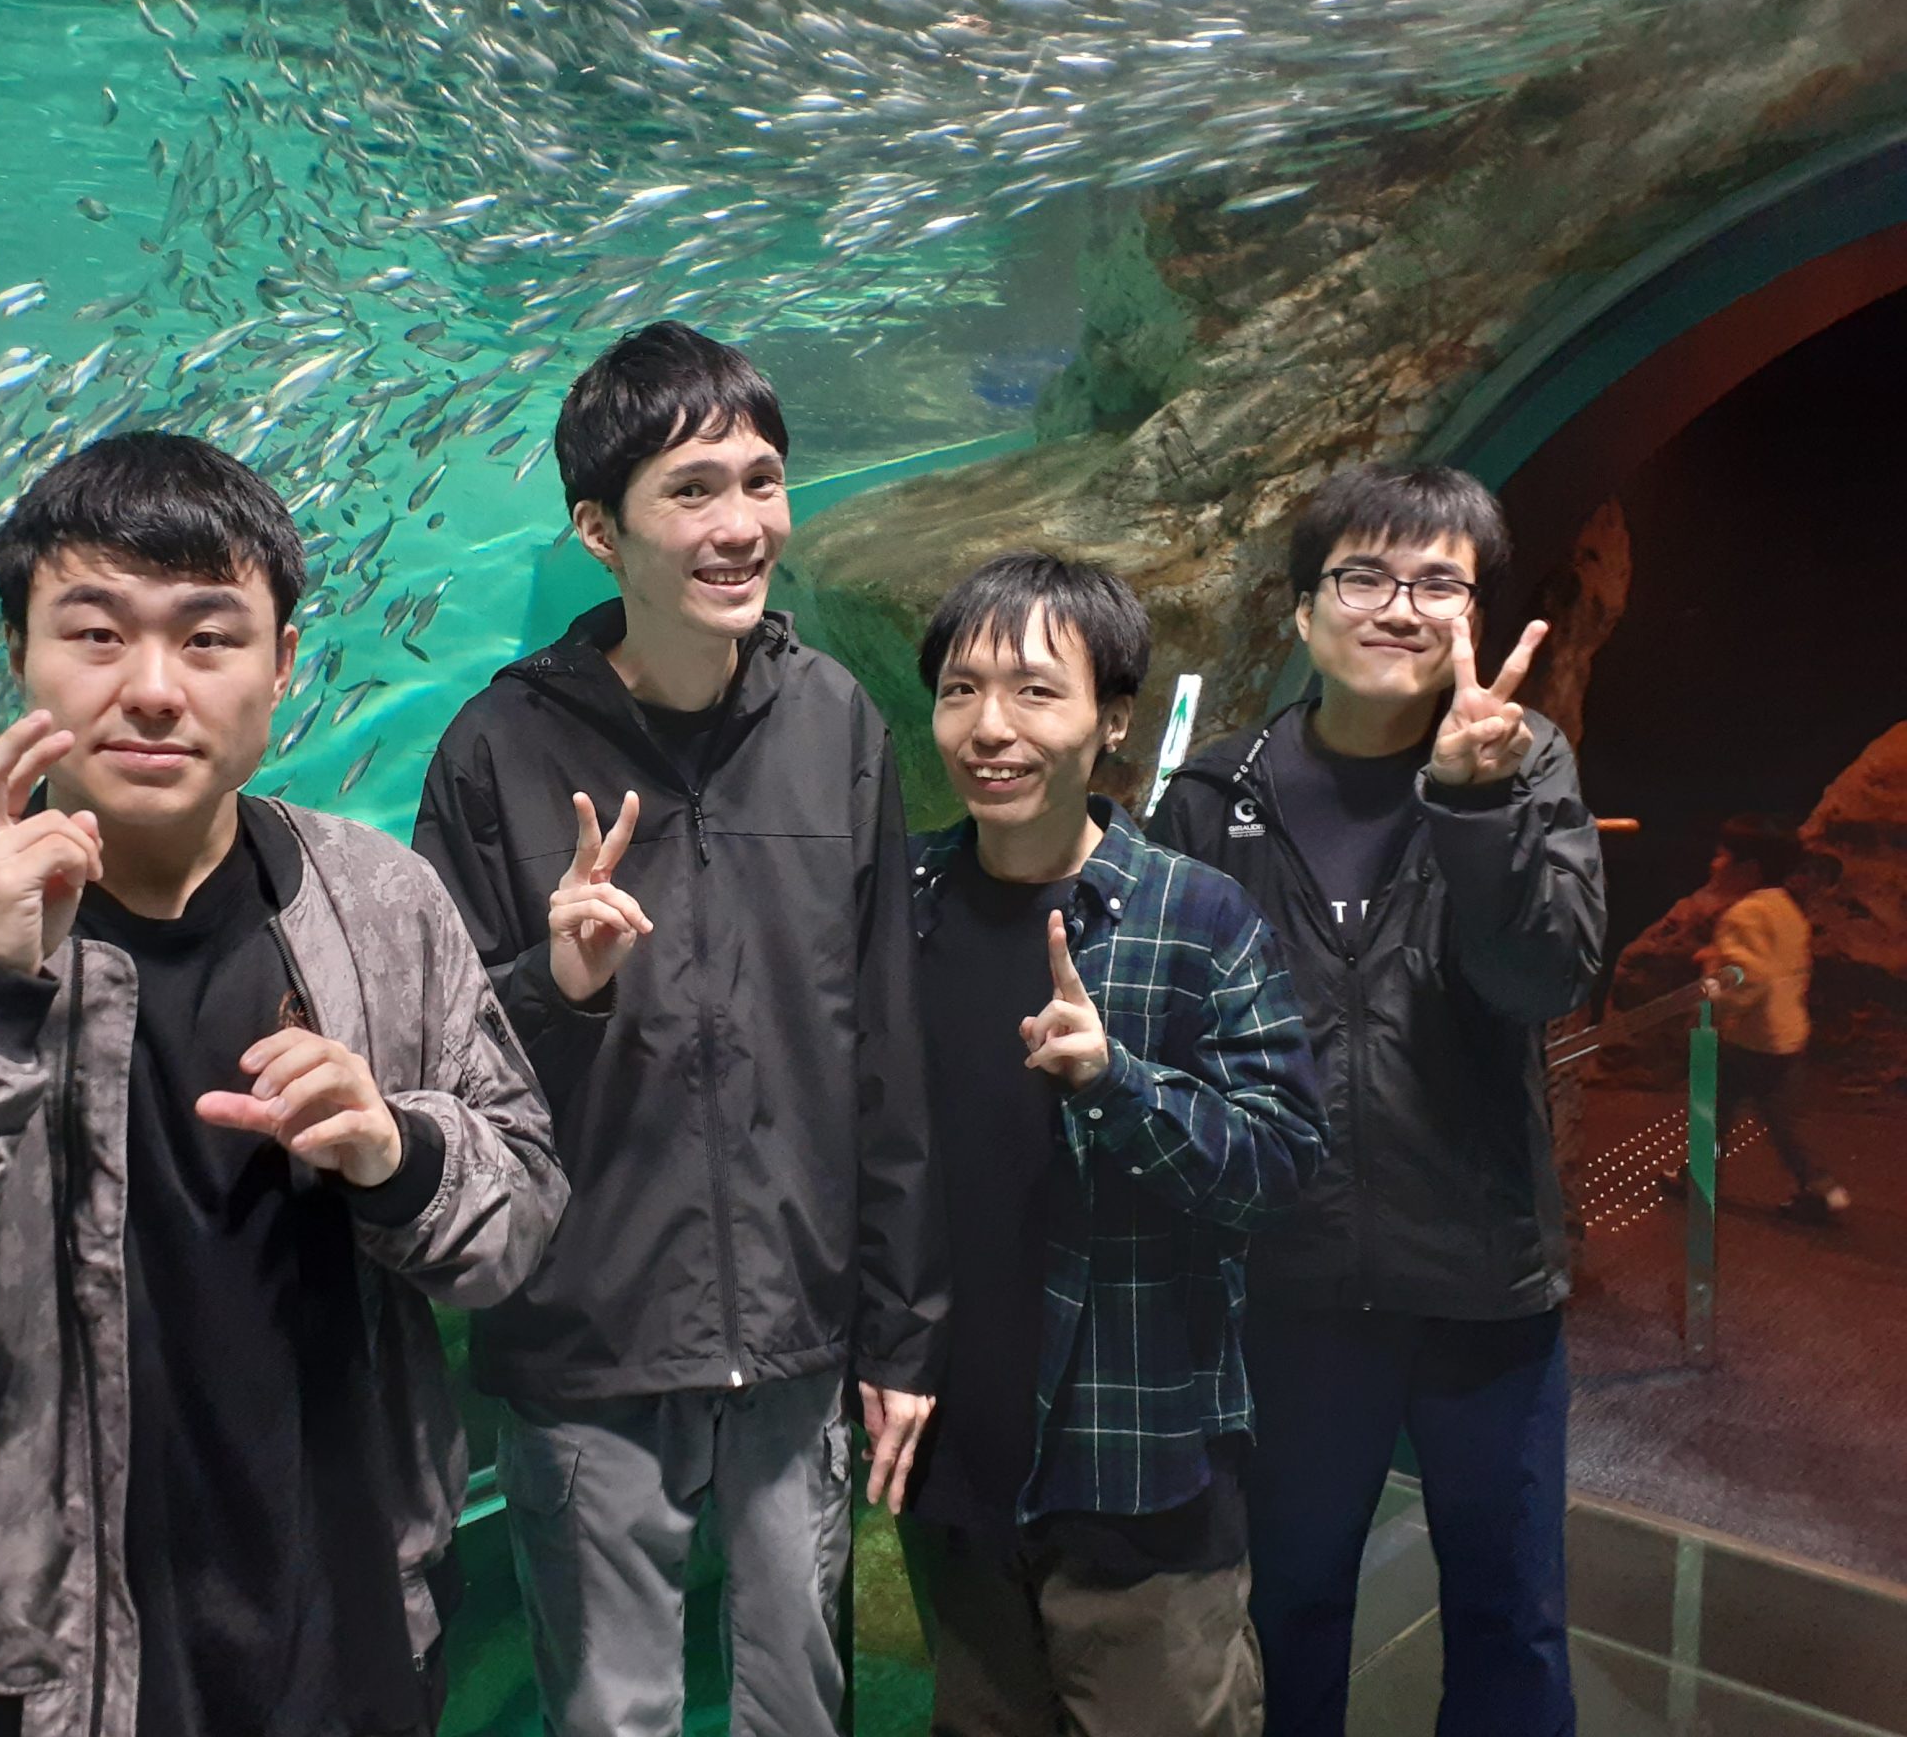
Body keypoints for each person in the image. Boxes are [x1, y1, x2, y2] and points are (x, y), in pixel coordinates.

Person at [0, 432, 567, 1737]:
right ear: (18, 655)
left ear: (283, 665)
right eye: (96, 635)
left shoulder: (380, 904)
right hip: (39, 1688)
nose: (155, 690)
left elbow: (518, 1226)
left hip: (357, 1647)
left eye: (210, 637)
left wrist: (398, 1152)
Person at [414, 321, 947, 1737]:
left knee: (800, 1707)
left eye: (761, 481)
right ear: (599, 530)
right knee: (615, 1717)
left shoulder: (836, 724)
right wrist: (558, 982)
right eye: (692, 490)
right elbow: (441, 1071)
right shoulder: (496, 752)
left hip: (796, 1335)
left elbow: (885, 1051)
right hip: (586, 1341)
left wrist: (902, 1333)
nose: (740, 524)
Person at [1148, 461, 1606, 1737]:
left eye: (1437, 584)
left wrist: (1473, 804)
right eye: (1364, 576)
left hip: (1481, 1282)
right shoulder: (1216, 797)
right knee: (1287, 1607)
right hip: (1287, 1292)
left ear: (1473, 618)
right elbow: (1171, 1043)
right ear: (1303, 611)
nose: (1400, 608)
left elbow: (1543, 979)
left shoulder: (1524, 765)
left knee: (1510, 1617)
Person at [900, 551, 1324, 1737]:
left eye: (1035, 691)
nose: (990, 727)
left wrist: (1117, 1083)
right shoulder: (900, 903)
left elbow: (1282, 1163)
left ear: (1113, 719)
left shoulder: (1197, 917)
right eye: (959, 690)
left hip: (1138, 1479)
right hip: (953, 1474)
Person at [1697, 814, 1847, 1222]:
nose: (1714, 863)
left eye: (1722, 856)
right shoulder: (1786, 909)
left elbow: (1748, 977)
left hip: (1747, 1038)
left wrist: (1711, 996)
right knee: (1783, 1124)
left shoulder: (1744, 915)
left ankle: (1699, 1178)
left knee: (1712, 1109)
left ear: (1748, 869)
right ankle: (1822, 1188)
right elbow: (1784, 967)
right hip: (1785, 1035)